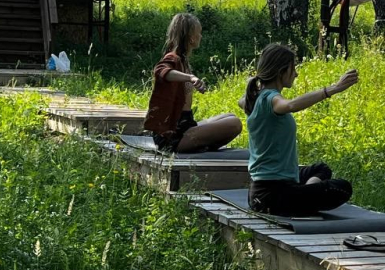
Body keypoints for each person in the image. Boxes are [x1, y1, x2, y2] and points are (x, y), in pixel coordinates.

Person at [241, 43, 359, 216]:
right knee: (342, 187)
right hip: (271, 196)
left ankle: (302, 193)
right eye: (293, 68)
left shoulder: (255, 98)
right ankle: (302, 196)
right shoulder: (271, 99)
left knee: (321, 169)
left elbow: (241, 101)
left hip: (265, 189)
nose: (296, 74)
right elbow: (291, 105)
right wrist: (334, 89)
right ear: (280, 71)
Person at [144, 12, 242, 153]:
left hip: (186, 125)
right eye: (199, 33)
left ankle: (202, 145)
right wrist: (190, 78)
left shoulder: (183, 60)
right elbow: (160, 71)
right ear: (191, 37)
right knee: (235, 124)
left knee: (230, 116)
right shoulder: (173, 58)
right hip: (173, 136)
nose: (201, 36)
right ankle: (198, 146)